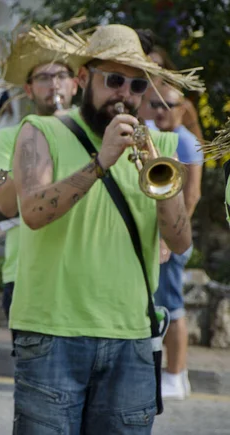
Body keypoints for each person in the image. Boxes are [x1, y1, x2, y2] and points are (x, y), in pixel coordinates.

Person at [9, 24, 202, 433]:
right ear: (83, 80)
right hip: (51, 334)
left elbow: (181, 240)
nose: (125, 94)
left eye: (135, 85)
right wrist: (101, 161)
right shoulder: (40, 131)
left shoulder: (161, 148)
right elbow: (32, 211)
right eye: (113, 80)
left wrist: (164, 190)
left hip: (131, 336)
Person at [0, 33, 78, 328]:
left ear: (75, 84)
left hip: (83, 273)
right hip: (27, 274)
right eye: (44, 77)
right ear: (28, 89)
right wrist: (21, 158)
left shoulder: (92, 133)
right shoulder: (7, 138)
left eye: (61, 75)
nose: (54, 84)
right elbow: (6, 204)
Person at [146, 82, 203, 399]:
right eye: (154, 104)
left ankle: (176, 374)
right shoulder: (161, 136)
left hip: (171, 238)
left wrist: (171, 238)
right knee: (164, 303)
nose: (160, 111)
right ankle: (175, 376)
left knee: (172, 305)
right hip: (162, 235)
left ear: (183, 108)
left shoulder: (185, 141)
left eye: (167, 105)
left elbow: (192, 195)